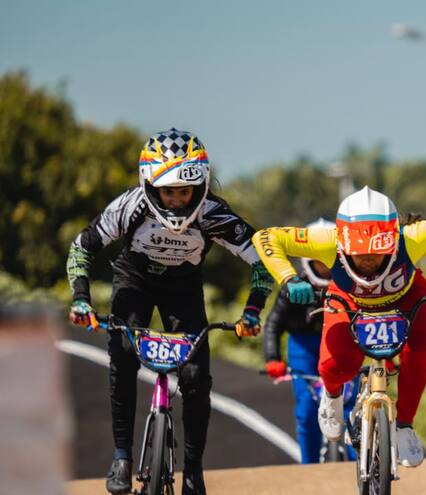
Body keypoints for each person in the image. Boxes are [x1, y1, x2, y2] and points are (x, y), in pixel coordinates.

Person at [66, 128, 272, 495]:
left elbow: (263, 261)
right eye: (168, 191)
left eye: (185, 191)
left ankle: (193, 471)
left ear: (201, 186)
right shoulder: (131, 206)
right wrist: (81, 299)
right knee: (123, 357)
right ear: (149, 185)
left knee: (195, 377)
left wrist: (253, 311)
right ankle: (121, 457)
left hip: (184, 290)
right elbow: (82, 247)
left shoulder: (213, 214)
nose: (177, 201)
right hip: (134, 282)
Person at [253, 186, 426, 468]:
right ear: (342, 243)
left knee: (421, 349)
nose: (369, 261)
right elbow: (265, 237)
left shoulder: (411, 238)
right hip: (349, 299)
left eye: (378, 252)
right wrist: (289, 279)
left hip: (406, 297)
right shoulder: (326, 241)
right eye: (359, 253)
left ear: (393, 238)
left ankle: (405, 426)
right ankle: (333, 395)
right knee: (336, 366)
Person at [263, 217, 357, 464]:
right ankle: (309, 467)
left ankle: (362, 465)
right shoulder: (292, 285)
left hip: (342, 344)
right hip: (303, 348)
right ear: (307, 258)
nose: (326, 266)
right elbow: (273, 323)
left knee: (351, 409)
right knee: (306, 410)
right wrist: (273, 358)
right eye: (319, 259)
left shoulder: (353, 284)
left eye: (330, 259)